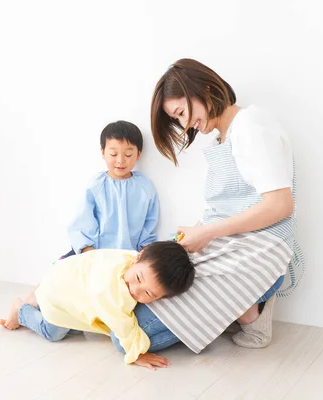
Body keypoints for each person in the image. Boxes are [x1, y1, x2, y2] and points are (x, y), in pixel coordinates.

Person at [111, 58, 304, 355]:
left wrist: (209, 233)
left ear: (207, 89)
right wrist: (191, 237)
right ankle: (242, 308)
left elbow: (280, 205)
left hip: (261, 247)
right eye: (177, 119)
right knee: (138, 294)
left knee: (125, 337)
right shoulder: (221, 139)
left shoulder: (252, 126)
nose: (185, 124)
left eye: (182, 112)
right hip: (229, 242)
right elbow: (225, 207)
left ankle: (251, 307)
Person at [0, 241, 195, 370]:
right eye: (137, 278)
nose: (135, 289)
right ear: (139, 257)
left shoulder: (133, 260)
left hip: (71, 280)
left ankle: (39, 301)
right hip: (59, 291)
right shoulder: (112, 290)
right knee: (54, 332)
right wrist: (136, 354)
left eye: (148, 294)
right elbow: (124, 328)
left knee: (73, 331)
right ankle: (21, 310)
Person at [60, 120, 159, 259]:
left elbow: (149, 223)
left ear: (138, 154)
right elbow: (83, 219)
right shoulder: (96, 184)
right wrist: (89, 252)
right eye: (113, 154)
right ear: (103, 152)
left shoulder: (145, 186)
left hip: (129, 255)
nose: (120, 160)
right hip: (95, 253)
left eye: (128, 155)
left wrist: (146, 250)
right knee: (59, 269)